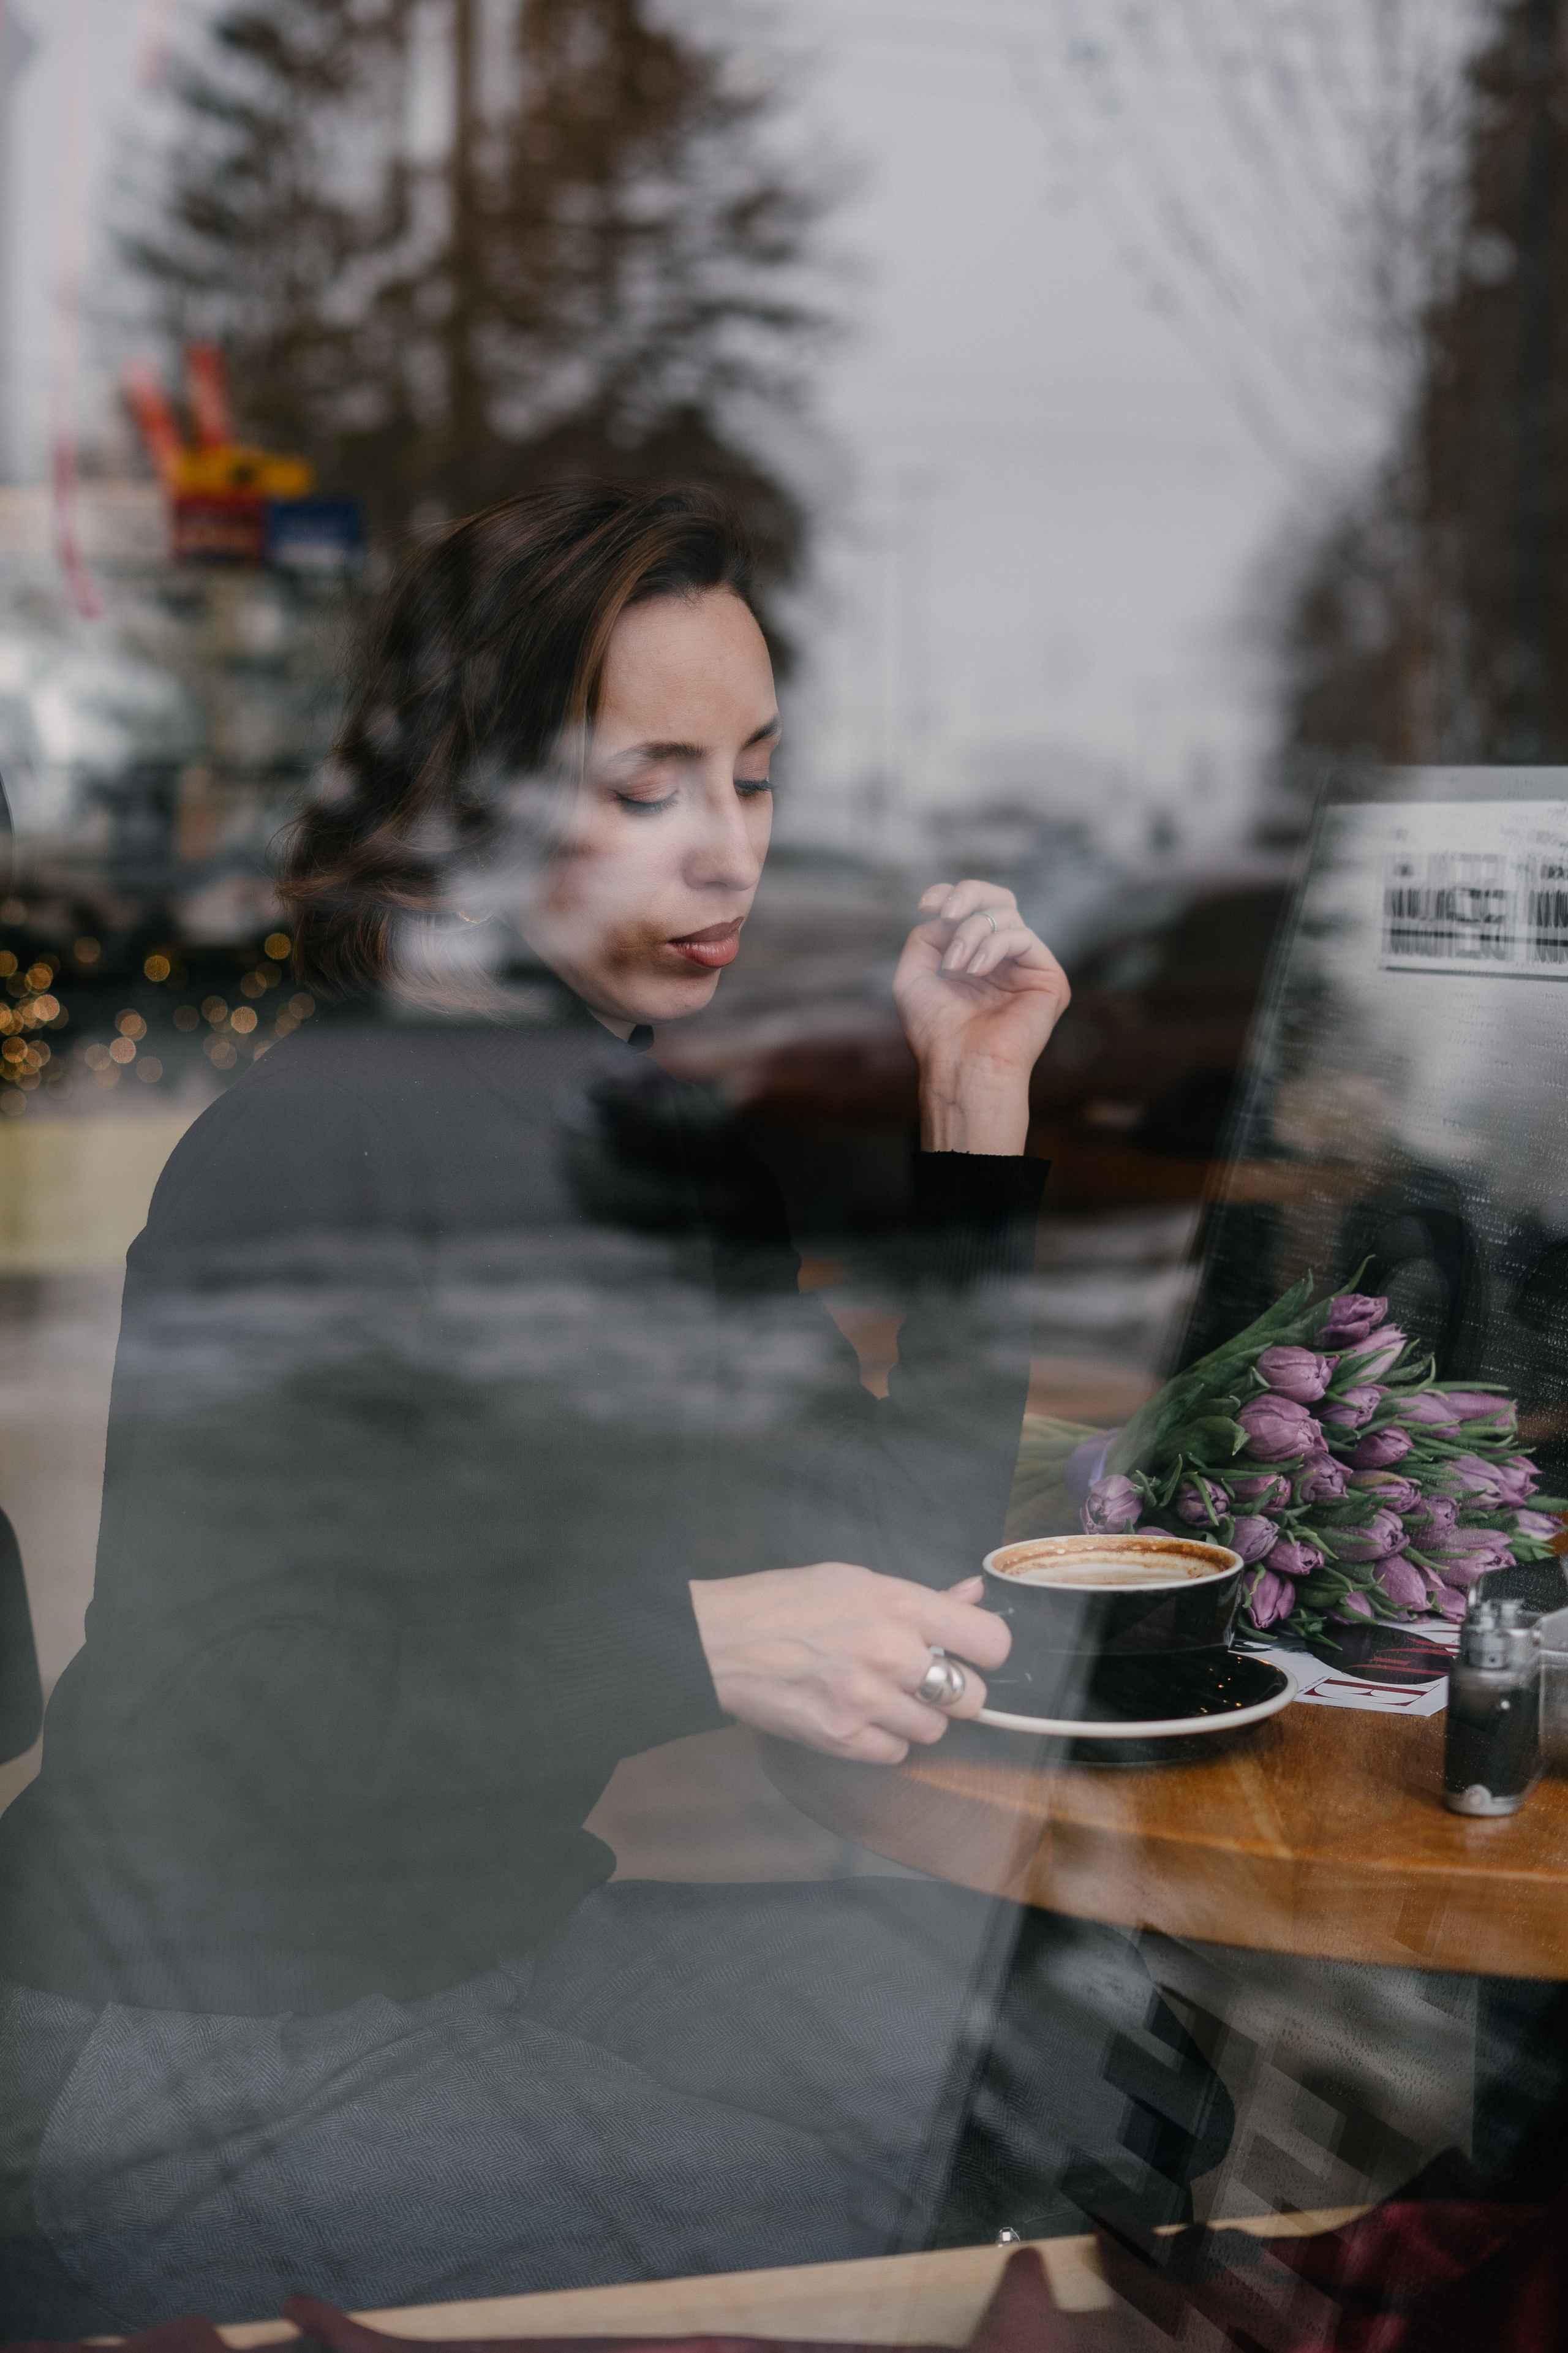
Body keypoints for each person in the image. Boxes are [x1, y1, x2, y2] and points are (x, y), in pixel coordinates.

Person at [0, 483, 1230, 2334]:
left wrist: (975, 1112)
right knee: (938, 2183)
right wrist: (690, 1641)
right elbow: (211, 1716)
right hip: (174, 2038)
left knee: (1091, 2098)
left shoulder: (644, 1134)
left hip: (474, 1949)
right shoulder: (337, 1130)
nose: (728, 854)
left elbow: (902, 1565)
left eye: (750, 774)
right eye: (645, 788)